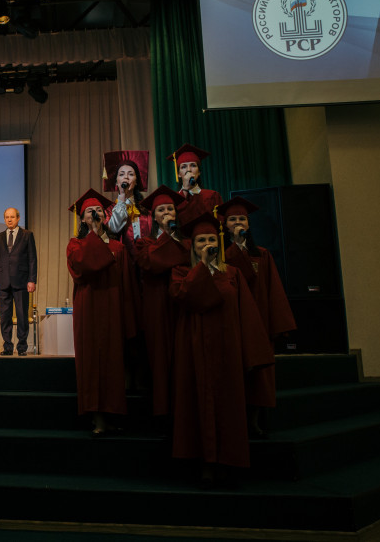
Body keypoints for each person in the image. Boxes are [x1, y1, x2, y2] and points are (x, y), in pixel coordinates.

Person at [169, 210, 273, 486]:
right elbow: (184, 295)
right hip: (195, 350)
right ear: (192, 245)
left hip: (227, 349)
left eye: (211, 240)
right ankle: (204, 463)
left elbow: (246, 313)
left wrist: (251, 354)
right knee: (197, 404)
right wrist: (202, 266)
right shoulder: (181, 272)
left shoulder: (233, 273)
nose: (207, 245)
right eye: (201, 241)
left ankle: (228, 460)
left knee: (228, 405)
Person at [217, 196, 297, 437]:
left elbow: (274, 290)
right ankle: (236, 422)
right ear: (225, 225)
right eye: (232, 219)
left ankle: (255, 421)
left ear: (248, 224)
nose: (237, 223)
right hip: (235, 321)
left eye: (242, 219)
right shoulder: (221, 256)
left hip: (259, 322)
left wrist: (277, 323)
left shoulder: (262, 255)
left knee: (260, 377)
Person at [66, 189, 139, 436]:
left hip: (113, 309)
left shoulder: (118, 247)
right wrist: (95, 236)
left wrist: (128, 318)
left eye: (99, 210)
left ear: (105, 216)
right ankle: (96, 417)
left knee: (113, 362)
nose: (95, 213)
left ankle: (112, 415)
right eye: (90, 211)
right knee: (92, 363)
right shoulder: (75, 246)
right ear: (82, 219)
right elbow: (82, 268)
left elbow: (127, 285)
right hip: (88, 311)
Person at [133, 186, 188, 417]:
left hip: (182, 306)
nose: (167, 213)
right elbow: (151, 263)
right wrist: (167, 238)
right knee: (159, 358)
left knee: (183, 358)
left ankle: (185, 413)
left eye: (170, 209)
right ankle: (164, 413)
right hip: (156, 306)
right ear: (154, 216)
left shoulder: (187, 242)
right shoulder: (143, 243)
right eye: (161, 210)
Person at [0, 207, 37, 356]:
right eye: (7, 217)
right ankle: (8, 347)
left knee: (22, 315)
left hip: (21, 281)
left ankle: (22, 347)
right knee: (5, 316)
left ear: (18, 218)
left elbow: (32, 259)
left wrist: (32, 279)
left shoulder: (27, 235)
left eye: (12, 217)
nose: (9, 220)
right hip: (3, 282)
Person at [103, 150, 153, 259]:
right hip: (123, 261)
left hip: (146, 260)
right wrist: (122, 196)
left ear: (136, 181)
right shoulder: (109, 210)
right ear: (116, 182)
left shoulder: (146, 209)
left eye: (130, 174)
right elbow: (114, 229)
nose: (126, 177)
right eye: (121, 174)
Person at [166, 144, 223, 225]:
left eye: (193, 165)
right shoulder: (173, 199)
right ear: (178, 174)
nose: (188, 170)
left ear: (199, 172)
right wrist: (186, 189)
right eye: (183, 167)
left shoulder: (212, 196)